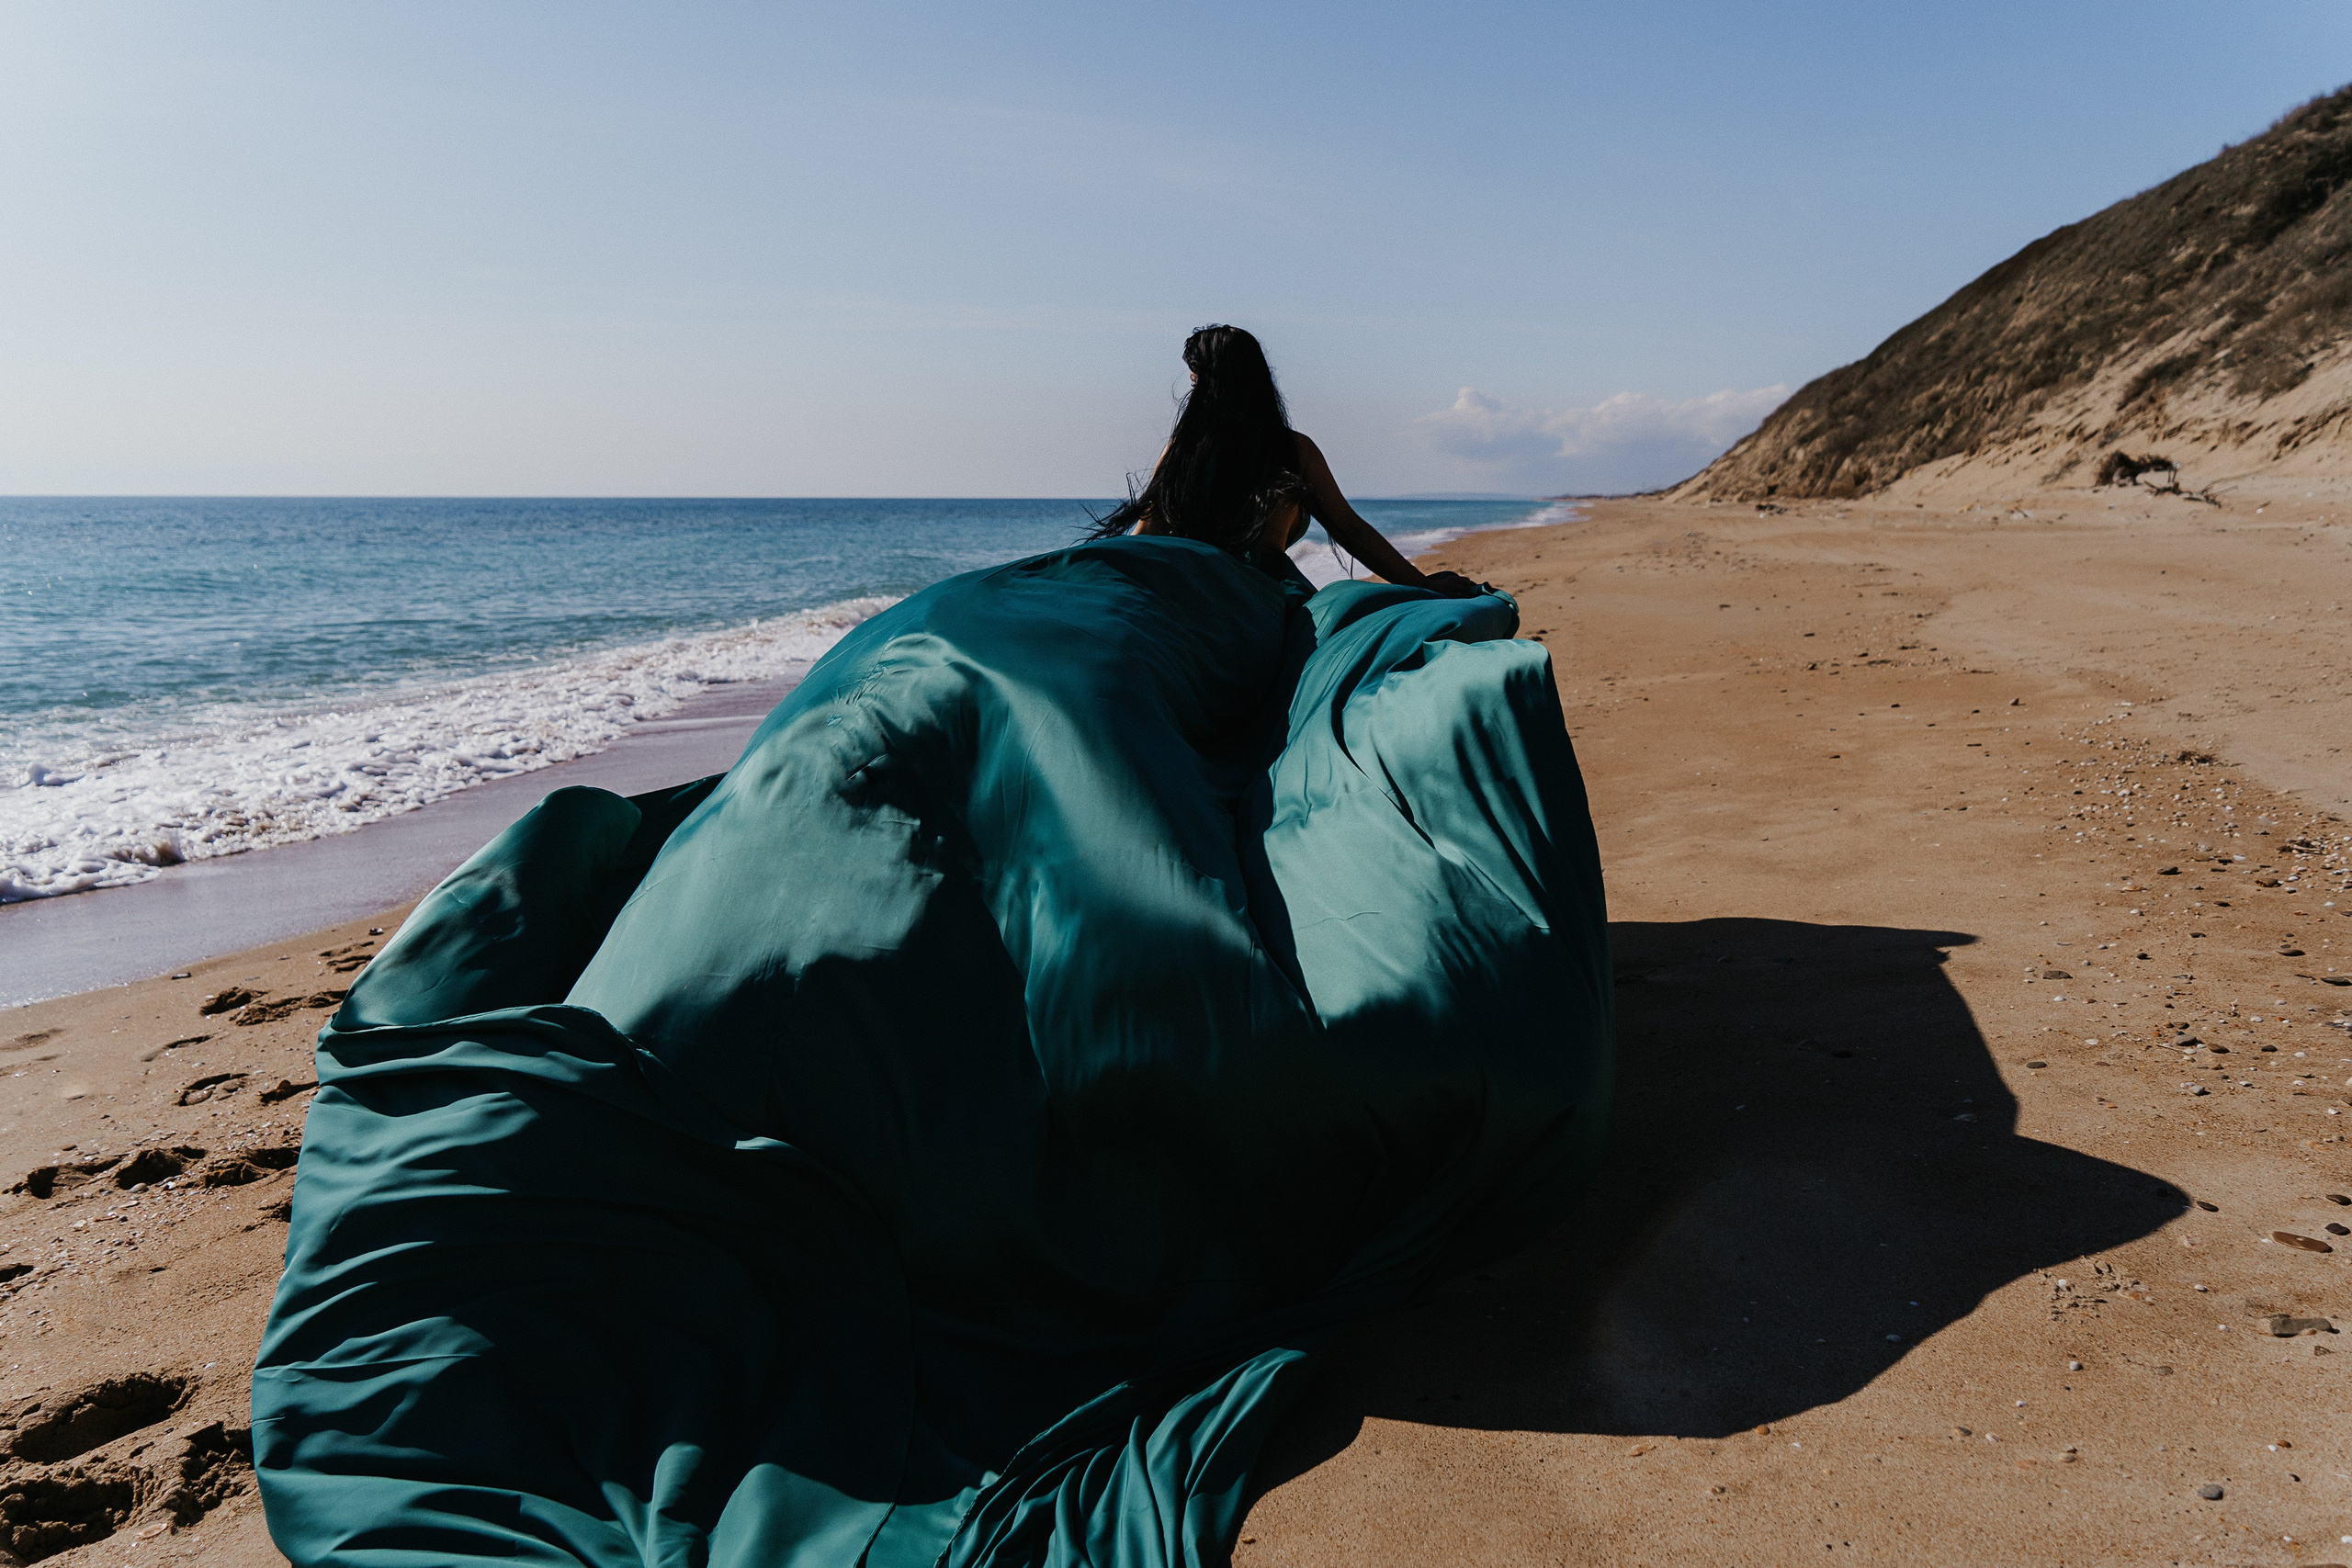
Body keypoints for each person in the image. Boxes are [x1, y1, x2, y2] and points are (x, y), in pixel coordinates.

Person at [1096, 324, 1482, 595]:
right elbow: (1351, 530)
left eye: (1194, 378)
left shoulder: (1184, 450)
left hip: (1193, 597)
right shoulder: (1293, 450)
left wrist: (1102, 583)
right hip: (1265, 604)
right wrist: (1423, 585)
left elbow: (1143, 539)